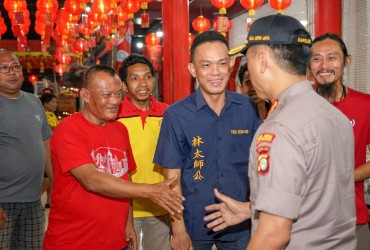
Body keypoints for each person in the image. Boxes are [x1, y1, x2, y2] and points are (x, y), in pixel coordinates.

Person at [204, 14, 357, 249]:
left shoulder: (279, 130)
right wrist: (252, 210)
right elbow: (316, 195)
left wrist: (265, 223)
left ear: (262, 60)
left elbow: (274, 235)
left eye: (249, 58)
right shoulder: (334, 116)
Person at [43, 65, 184, 250]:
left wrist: (128, 223)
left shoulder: (120, 130)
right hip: (74, 241)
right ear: (85, 95)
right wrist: (150, 191)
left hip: (116, 241)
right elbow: (90, 179)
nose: (115, 101)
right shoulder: (68, 129)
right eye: (106, 95)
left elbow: (126, 177)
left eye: (118, 94)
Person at [153, 30, 261, 250]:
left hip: (240, 223)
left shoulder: (248, 108)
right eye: (206, 65)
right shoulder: (176, 115)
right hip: (194, 223)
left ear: (231, 65)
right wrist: (179, 229)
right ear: (193, 69)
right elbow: (172, 177)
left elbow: (259, 164)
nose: (215, 73)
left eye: (221, 64)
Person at [310, 33, 370, 250]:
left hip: (352, 218)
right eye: (316, 58)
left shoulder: (367, 105)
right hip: (307, 221)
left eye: (332, 57)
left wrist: (342, 177)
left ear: (347, 60)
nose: (324, 65)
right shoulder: (296, 105)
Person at [0, 48, 53, 249]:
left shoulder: (33, 102)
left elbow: (46, 145)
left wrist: (54, 187)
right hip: (3, 201)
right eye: (4, 68)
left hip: (33, 200)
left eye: (15, 67)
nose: (12, 72)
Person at [117, 54, 170, 250]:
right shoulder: (114, 115)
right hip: (123, 208)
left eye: (147, 77)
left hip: (160, 205)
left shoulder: (168, 113)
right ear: (123, 85)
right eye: (134, 78)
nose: (143, 83)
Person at [40, 93, 59, 209]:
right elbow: (51, 132)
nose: (56, 104)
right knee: (47, 178)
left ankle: (49, 200)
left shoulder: (51, 114)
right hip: (45, 151)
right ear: (46, 104)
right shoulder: (46, 115)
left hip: (50, 150)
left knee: (51, 177)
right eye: (53, 102)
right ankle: (37, 199)